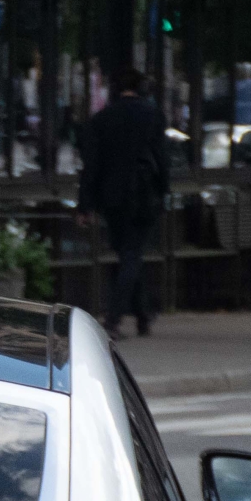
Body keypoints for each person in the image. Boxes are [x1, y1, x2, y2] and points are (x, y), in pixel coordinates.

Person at [77, 68, 168, 340]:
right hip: (143, 195)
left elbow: (91, 166)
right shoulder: (153, 116)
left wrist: (85, 205)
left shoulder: (102, 119)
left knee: (127, 253)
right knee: (132, 254)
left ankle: (142, 316)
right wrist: (162, 191)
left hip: (112, 198)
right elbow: (161, 159)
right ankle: (115, 318)